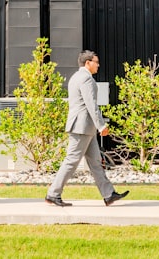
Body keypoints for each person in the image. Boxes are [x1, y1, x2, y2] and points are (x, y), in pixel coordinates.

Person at [45, 50, 128, 207]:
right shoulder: (86, 79)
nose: (98, 65)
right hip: (81, 127)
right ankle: (53, 194)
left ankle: (108, 194)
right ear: (88, 63)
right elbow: (91, 104)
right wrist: (101, 125)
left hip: (85, 128)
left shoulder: (76, 77)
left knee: (96, 162)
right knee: (71, 161)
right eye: (96, 62)